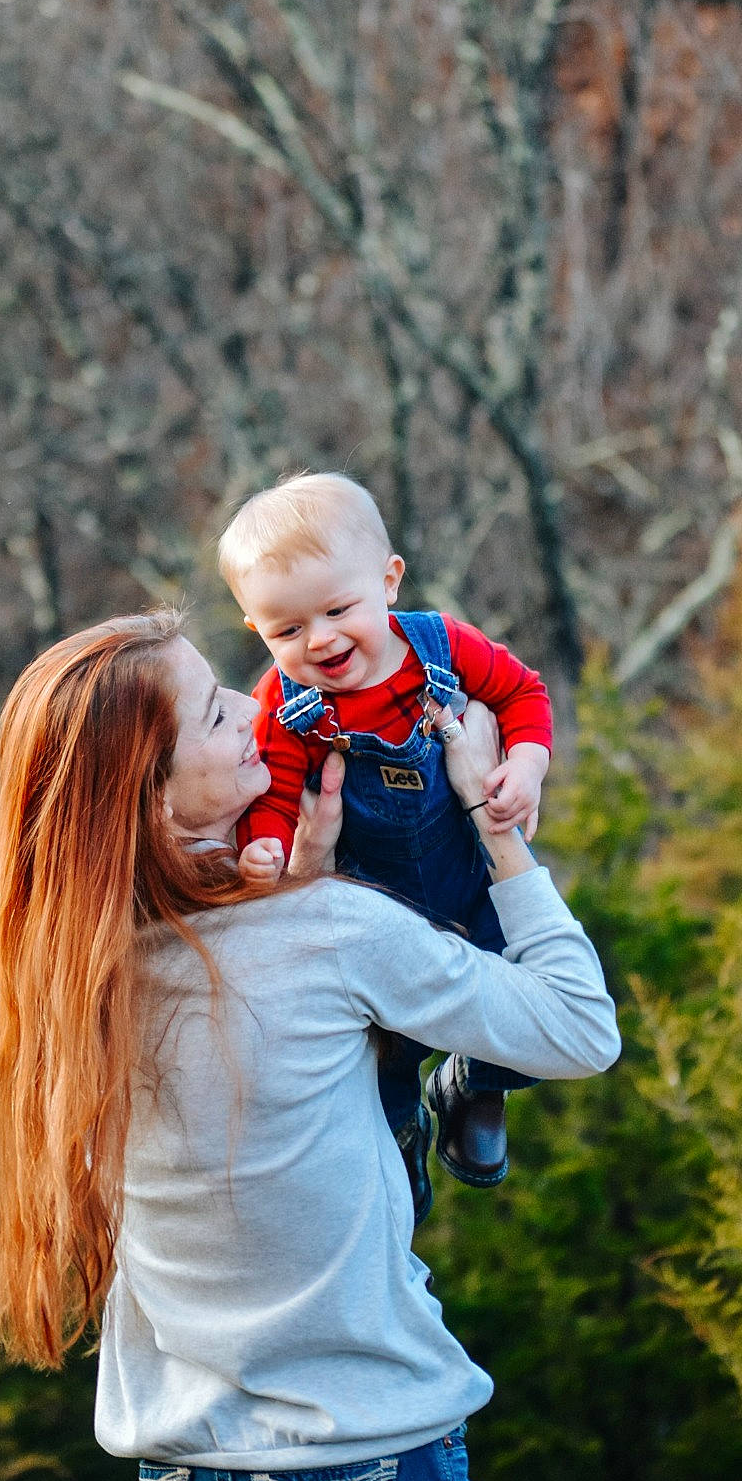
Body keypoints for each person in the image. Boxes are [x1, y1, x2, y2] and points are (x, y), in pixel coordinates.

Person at [0, 608, 618, 1481]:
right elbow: (576, 1026)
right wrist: (494, 823)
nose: (257, 707)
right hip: (360, 1455)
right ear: (154, 791)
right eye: (217, 712)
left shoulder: (37, 980)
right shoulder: (327, 933)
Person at [218, 472, 553, 1213]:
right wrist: (263, 849)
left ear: (388, 580)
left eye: (339, 609)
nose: (322, 639)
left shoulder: (437, 646)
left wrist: (526, 762)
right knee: (380, 1049)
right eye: (288, 630)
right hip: (371, 898)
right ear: (257, 630)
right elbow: (272, 793)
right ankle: (398, 1133)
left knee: (524, 989)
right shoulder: (284, 705)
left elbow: (520, 693)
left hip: (466, 875)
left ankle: (475, 1084)